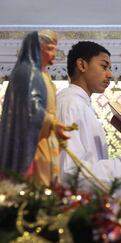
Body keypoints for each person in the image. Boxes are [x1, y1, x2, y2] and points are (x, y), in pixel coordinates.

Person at [56, 41, 121, 199]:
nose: (110, 74)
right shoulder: (70, 104)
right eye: (104, 66)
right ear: (82, 65)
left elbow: (90, 171)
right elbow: (70, 174)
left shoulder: (82, 105)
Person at [0, 30, 69, 186]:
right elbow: (30, 110)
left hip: (45, 137)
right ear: (38, 49)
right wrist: (52, 123)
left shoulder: (42, 74)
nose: (54, 54)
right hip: (33, 142)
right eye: (50, 49)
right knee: (37, 183)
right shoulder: (28, 73)